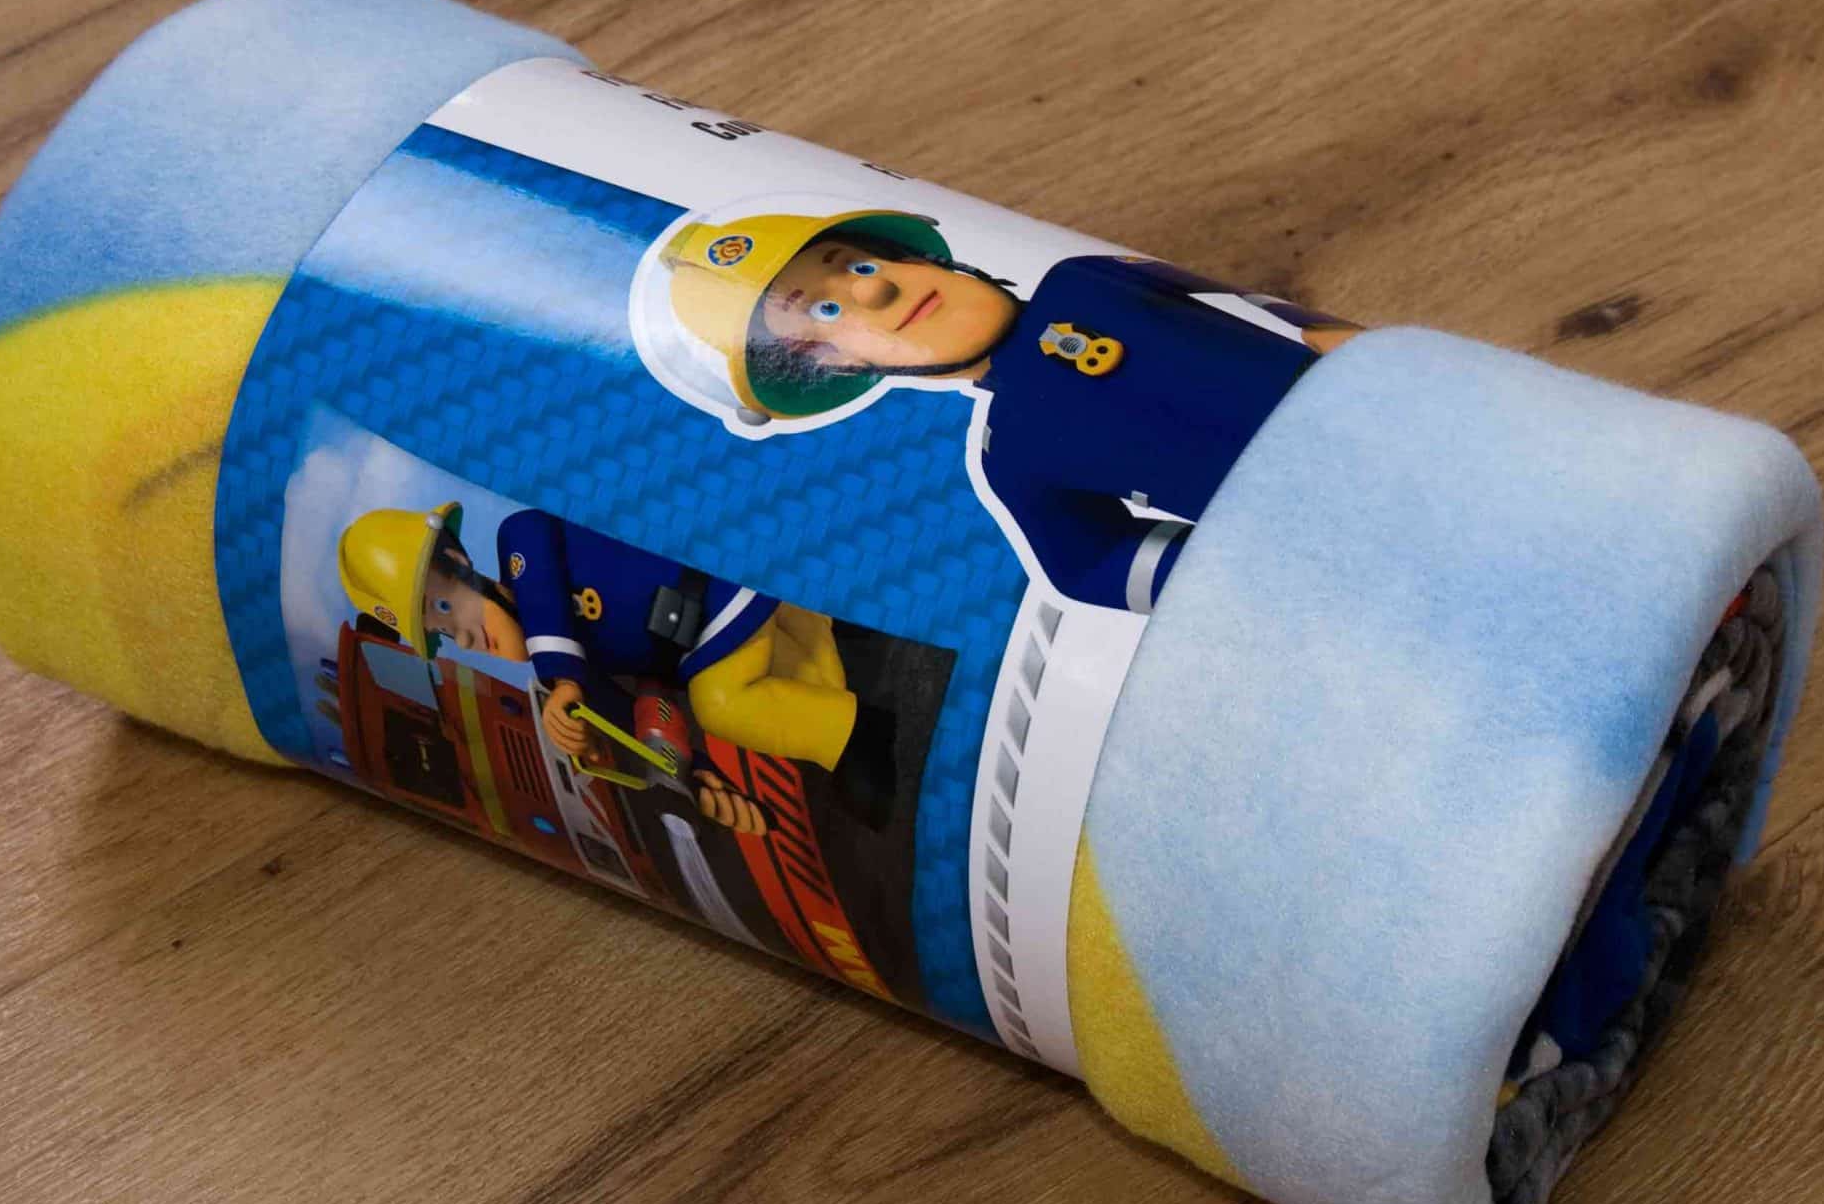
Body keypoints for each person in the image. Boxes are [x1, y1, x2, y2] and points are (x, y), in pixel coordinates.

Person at [657, 210, 1356, 612]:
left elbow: (1246, 304)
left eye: (859, 266)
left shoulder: (1087, 278)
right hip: (1338, 536)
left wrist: (1344, 344)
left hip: (1382, 409)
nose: (872, 292)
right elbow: (1087, 564)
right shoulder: (1012, 451)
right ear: (838, 365)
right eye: (826, 311)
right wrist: (1233, 575)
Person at [336, 501, 900, 806]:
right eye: (440, 634)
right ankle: (831, 649)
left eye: (443, 608)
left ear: (459, 563)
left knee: (722, 704)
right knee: (816, 688)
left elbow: (538, 560)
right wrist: (680, 766)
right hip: (728, 637)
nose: (460, 639)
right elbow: (628, 711)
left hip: (715, 596)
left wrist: (561, 678)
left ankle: (859, 733)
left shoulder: (520, 542)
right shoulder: (564, 667)